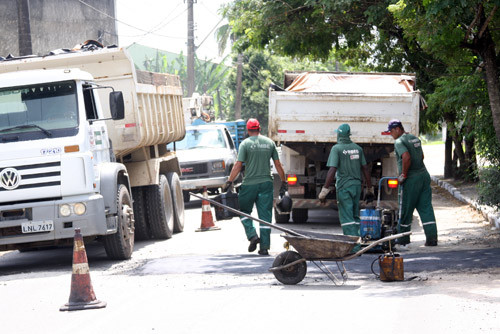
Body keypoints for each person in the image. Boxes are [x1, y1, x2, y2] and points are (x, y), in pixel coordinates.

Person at [223, 118, 287, 255]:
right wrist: (284, 181)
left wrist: (229, 181)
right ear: (259, 129)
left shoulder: (245, 144)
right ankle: (264, 248)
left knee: (243, 211)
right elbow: (278, 164)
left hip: (249, 184)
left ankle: (252, 235)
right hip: (266, 184)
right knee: (265, 216)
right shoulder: (269, 143)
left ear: (247, 130)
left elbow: (238, 165)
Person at [318, 124, 374, 244]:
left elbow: (332, 170)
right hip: (357, 186)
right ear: (349, 135)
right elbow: (365, 168)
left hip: (344, 188)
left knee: (347, 218)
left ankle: (352, 246)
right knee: (355, 217)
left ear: (339, 135)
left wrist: (324, 189)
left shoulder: (337, 149)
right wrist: (370, 188)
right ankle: (359, 242)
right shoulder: (358, 149)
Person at [387, 119, 438, 246]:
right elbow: (421, 156)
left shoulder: (399, 142)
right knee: (426, 208)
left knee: (405, 209)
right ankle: (432, 239)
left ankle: (403, 239)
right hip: (423, 176)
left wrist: (403, 175)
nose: (391, 134)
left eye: (391, 131)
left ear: (398, 129)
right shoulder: (415, 139)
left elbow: (406, 157)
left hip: (411, 180)